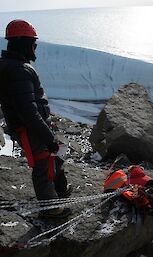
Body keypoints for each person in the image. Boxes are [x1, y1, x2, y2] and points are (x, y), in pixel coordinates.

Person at [0, 20, 71, 218]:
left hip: (30, 126)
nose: (35, 47)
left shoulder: (11, 66)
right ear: (23, 43)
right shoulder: (18, 71)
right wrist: (48, 138)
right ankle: (50, 208)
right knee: (43, 164)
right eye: (33, 43)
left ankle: (60, 190)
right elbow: (29, 112)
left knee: (52, 158)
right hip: (30, 129)